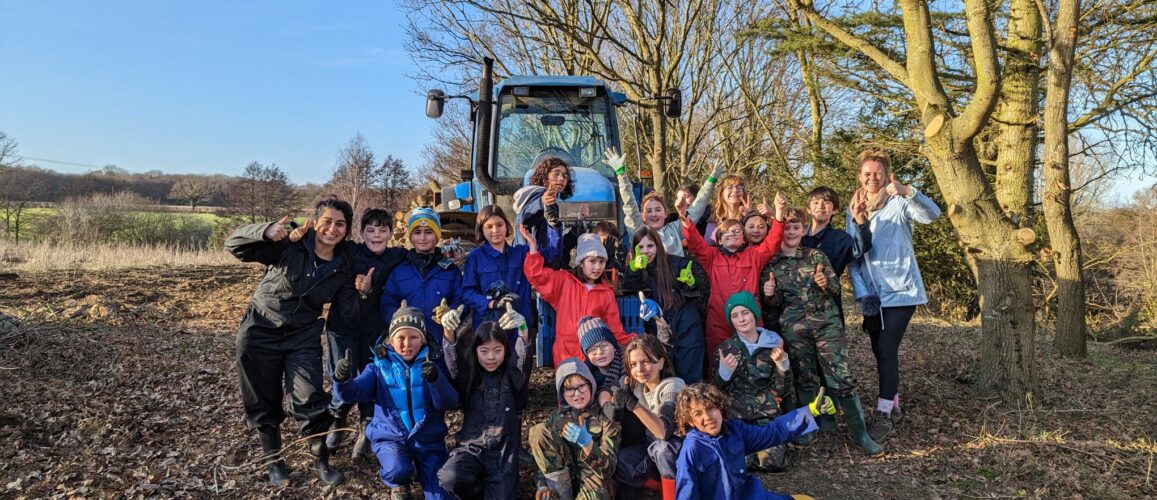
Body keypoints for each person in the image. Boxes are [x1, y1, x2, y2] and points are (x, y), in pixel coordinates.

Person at [225, 197, 355, 486]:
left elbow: (348, 308)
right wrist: (265, 230)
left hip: (303, 335)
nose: (332, 229)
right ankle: (275, 462)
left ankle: (320, 461)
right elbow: (234, 245)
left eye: (340, 224)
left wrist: (366, 293)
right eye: (327, 221)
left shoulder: (344, 265)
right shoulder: (291, 243)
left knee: (310, 396)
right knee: (262, 399)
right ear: (315, 222)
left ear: (347, 229)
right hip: (261, 329)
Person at [764, 207, 883, 456]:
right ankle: (809, 427)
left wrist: (825, 283)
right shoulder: (772, 264)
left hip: (826, 325)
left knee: (842, 378)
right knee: (805, 378)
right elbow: (774, 305)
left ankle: (861, 434)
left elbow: (835, 289)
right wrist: (770, 293)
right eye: (787, 227)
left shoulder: (815, 256)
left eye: (796, 227)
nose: (792, 231)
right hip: (795, 330)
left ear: (802, 229)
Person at [846, 149, 941, 441]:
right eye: (867, 173)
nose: (872, 178)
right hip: (873, 295)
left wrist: (909, 191)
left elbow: (932, 215)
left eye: (878, 173)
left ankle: (883, 412)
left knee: (886, 348)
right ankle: (894, 401)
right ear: (860, 177)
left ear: (887, 176)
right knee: (879, 350)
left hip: (901, 291)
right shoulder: (853, 210)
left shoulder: (899, 203)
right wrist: (863, 296)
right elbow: (854, 257)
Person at [332, 303, 459, 499]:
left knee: (441, 495)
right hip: (391, 437)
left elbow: (449, 401)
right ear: (391, 340)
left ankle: (420, 470)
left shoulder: (433, 363)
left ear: (423, 338)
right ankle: (399, 482)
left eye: (413, 337)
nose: (407, 344)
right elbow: (352, 393)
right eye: (400, 337)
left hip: (428, 439)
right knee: (397, 469)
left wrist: (436, 379)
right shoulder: (377, 367)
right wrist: (342, 379)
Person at [321, 208, 408, 459]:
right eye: (370, 230)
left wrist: (449, 253)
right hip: (343, 326)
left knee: (371, 376)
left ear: (392, 233)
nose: (377, 235)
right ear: (361, 233)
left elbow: (422, 255)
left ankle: (366, 429)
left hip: (374, 328)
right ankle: (338, 419)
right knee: (342, 371)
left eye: (382, 230)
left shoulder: (396, 257)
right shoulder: (348, 253)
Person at [673, 383, 833, 500]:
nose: (707, 417)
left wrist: (810, 412)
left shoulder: (735, 430)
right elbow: (686, 494)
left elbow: (772, 432)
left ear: (720, 408)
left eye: (710, 408)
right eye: (698, 413)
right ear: (690, 421)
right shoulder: (691, 450)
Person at [437, 307, 532, 500]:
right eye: (484, 351)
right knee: (450, 477)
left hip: (503, 455)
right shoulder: (470, 376)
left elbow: (523, 362)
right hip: (472, 448)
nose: (491, 357)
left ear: (506, 350)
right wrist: (448, 331)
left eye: (497, 350)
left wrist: (523, 329)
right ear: (475, 351)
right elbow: (454, 363)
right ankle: (477, 489)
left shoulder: (511, 376)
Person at [683, 193, 787, 358]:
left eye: (736, 231)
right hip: (719, 321)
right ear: (720, 240)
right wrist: (684, 217)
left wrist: (779, 212)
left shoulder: (754, 255)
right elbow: (695, 242)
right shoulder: (712, 256)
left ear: (744, 239)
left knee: (755, 360)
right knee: (719, 362)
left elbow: (773, 241)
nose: (732, 234)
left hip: (751, 320)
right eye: (727, 232)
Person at [521, 224, 633, 367]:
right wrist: (533, 246)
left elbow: (615, 330)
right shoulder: (564, 281)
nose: (598, 267)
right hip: (565, 354)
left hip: (593, 357)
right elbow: (536, 275)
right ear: (580, 262)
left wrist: (637, 342)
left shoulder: (606, 292)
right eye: (592, 261)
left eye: (602, 261)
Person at [713, 291, 793, 471]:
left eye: (745, 312)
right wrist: (724, 372)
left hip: (765, 413)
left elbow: (783, 391)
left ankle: (769, 448)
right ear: (731, 320)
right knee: (740, 462)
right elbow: (715, 390)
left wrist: (783, 366)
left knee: (772, 463)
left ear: (754, 314)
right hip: (736, 416)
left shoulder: (774, 344)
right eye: (735, 315)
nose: (741, 319)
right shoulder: (725, 348)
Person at [621, 227, 707, 383]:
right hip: (657, 329)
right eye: (641, 247)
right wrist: (633, 269)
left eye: (650, 246)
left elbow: (697, 291)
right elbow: (631, 286)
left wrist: (690, 282)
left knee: (690, 375)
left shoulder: (676, 263)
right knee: (666, 374)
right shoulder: (637, 267)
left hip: (686, 325)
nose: (646, 251)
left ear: (658, 246)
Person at [529, 358, 623, 500]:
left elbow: (608, 469)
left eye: (581, 386)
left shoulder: (606, 415)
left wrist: (588, 444)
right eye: (570, 389)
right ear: (562, 392)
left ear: (590, 385)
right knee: (538, 431)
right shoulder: (557, 417)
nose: (577, 394)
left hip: (594, 479)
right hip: (562, 483)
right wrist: (542, 485)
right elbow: (542, 460)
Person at [605, 148, 720, 257]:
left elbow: (696, 209)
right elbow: (630, 204)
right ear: (643, 216)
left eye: (658, 209)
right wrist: (621, 175)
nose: (654, 214)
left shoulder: (675, 229)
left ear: (666, 213)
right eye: (649, 211)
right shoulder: (638, 230)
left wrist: (711, 181)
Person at [612, 335, 685, 500]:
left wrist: (633, 404)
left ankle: (673, 494)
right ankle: (660, 488)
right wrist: (615, 405)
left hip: (678, 451)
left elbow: (663, 431)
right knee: (620, 459)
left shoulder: (672, 385)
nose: (639, 369)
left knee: (663, 448)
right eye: (633, 364)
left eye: (645, 362)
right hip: (650, 449)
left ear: (660, 362)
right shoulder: (637, 387)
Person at [381, 207, 465, 346]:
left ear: (437, 236)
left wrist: (451, 313)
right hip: (409, 347)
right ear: (411, 236)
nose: (423, 238)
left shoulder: (450, 270)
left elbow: (461, 299)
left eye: (429, 232)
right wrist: (400, 317)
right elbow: (387, 302)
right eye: (417, 232)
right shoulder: (399, 270)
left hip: (442, 343)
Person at [800, 186, 872, 323]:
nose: (821, 206)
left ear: (835, 209)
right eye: (815, 202)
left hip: (828, 310)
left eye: (826, 202)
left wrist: (860, 221)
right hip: (797, 310)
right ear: (808, 209)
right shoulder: (797, 236)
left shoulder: (839, 238)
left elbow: (861, 247)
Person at [460, 205, 532, 336]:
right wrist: (491, 303)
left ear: (507, 226)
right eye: (489, 226)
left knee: (520, 356)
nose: (495, 230)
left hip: (519, 329)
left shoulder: (522, 253)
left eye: (499, 224)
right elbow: (467, 293)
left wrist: (535, 241)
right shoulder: (475, 257)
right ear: (481, 229)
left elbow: (551, 256)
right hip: (487, 329)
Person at [513, 156, 574, 270]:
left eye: (565, 176)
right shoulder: (536, 195)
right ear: (545, 177)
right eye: (556, 174)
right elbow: (524, 219)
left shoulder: (552, 202)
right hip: (533, 265)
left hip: (542, 262)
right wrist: (541, 203)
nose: (561, 178)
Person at [577, 316, 626, 405]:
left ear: (614, 346)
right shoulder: (585, 376)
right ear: (587, 355)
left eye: (604, 345)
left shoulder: (629, 365)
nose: (599, 352)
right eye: (592, 350)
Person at [704, 174, 752, 246]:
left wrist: (750, 216)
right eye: (730, 187)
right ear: (722, 193)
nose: (735, 190)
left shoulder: (750, 218)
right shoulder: (712, 219)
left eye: (739, 187)